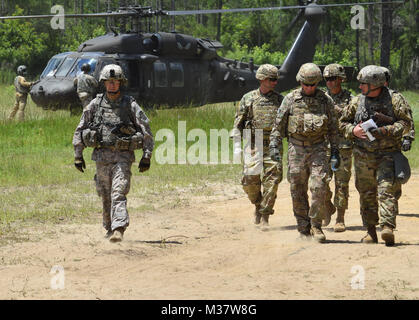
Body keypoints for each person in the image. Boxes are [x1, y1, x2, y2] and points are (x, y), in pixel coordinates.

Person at [72, 64, 154, 242]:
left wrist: (146, 156)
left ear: (120, 83)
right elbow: (81, 128)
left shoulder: (130, 105)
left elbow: (145, 129)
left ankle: (119, 228)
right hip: (101, 158)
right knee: (105, 194)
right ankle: (109, 228)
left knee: (118, 192)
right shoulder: (95, 104)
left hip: (123, 158)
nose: (112, 85)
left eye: (115, 82)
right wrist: (78, 155)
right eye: (109, 82)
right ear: (103, 83)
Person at [339, 65, 413, 246]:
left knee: (386, 190)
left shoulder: (395, 99)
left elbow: (406, 124)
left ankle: (387, 227)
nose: (360, 87)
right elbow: (341, 124)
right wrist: (353, 130)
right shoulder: (357, 102)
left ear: (375, 84)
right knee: (366, 194)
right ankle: (370, 231)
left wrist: (385, 131)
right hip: (363, 156)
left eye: (363, 84)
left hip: (387, 155)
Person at [269, 62, 339, 242]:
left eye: (313, 84)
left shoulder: (325, 100)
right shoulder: (290, 99)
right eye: (306, 84)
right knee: (297, 188)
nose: (309, 88)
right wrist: (275, 147)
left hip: (318, 149)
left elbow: (333, 128)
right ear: (300, 81)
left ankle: (316, 225)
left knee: (319, 186)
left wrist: (335, 153)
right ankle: (303, 227)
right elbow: (278, 126)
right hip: (296, 148)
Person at [232, 64, 283, 229]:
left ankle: (265, 216)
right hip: (253, 144)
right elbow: (238, 123)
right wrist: (237, 145)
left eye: (276, 79)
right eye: (272, 79)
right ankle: (258, 205)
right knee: (249, 181)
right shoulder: (248, 98)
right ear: (262, 79)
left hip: (273, 145)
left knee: (272, 182)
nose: (275, 82)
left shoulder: (281, 100)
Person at [322, 63, 353, 232]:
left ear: (341, 79)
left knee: (342, 183)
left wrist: (336, 109)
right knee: (321, 181)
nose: (330, 82)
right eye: (327, 79)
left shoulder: (350, 98)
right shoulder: (320, 97)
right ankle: (328, 206)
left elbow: (353, 115)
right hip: (323, 146)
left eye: (333, 79)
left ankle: (340, 217)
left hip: (343, 146)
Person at [380, 67, 415, 152]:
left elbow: (406, 119)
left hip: (391, 145)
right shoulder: (366, 97)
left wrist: (407, 138)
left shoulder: (395, 98)